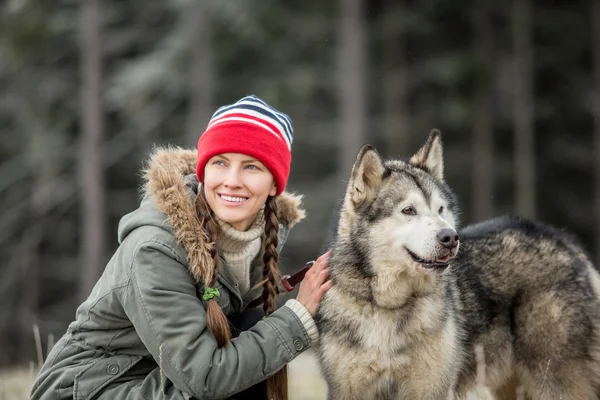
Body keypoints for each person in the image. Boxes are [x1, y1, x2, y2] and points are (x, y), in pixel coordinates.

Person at [30, 95, 333, 400]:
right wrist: (298, 316)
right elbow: (206, 378)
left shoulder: (259, 238)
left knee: (249, 335)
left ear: (273, 185)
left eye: (251, 167)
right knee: (233, 367)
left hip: (152, 380)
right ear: (202, 171)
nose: (232, 181)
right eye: (220, 163)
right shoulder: (154, 249)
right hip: (83, 391)